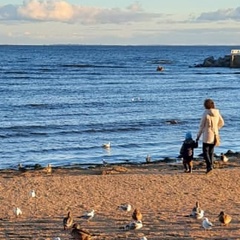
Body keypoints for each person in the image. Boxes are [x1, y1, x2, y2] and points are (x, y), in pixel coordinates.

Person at [196, 99, 224, 174]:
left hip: (207, 135)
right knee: (211, 151)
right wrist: (216, 128)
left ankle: (209, 166)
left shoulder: (205, 113)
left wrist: (198, 136)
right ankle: (211, 165)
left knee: (205, 151)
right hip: (215, 134)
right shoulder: (217, 112)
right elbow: (222, 123)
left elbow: (201, 126)